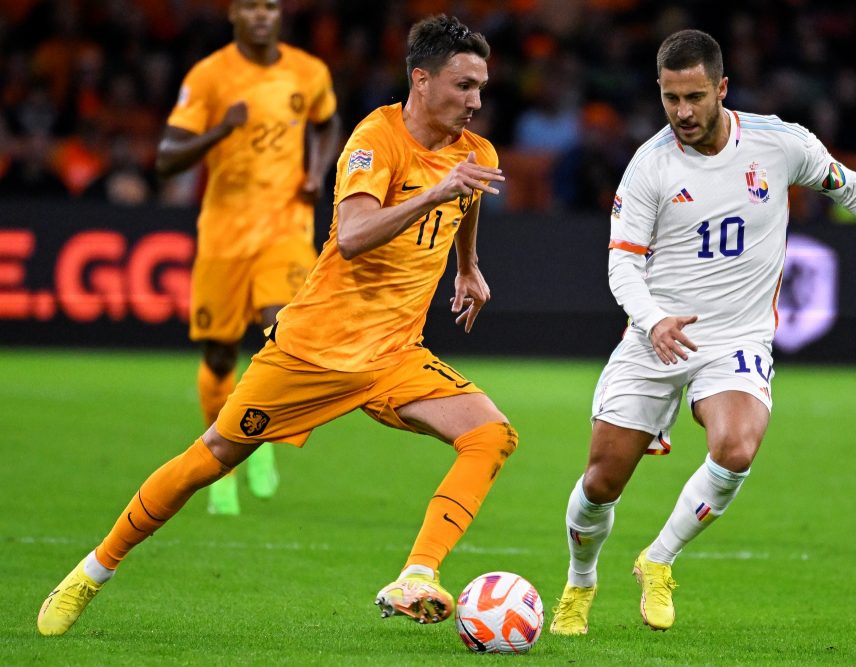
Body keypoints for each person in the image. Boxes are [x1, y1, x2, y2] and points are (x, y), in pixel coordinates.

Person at [37, 14, 515, 636]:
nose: (476, 101)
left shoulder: (475, 153)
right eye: (463, 86)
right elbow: (352, 236)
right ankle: (91, 572)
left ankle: (418, 574)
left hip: (394, 355)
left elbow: (467, 197)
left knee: (491, 435)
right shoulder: (377, 140)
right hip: (313, 352)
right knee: (210, 457)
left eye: (481, 86)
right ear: (420, 80)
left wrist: (468, 268)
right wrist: (433, 192)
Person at [548, 29, 856, 635]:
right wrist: (653, 320)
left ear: (722, 87)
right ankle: (580, 582)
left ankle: (658, 558)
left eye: (694, 96)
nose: (682, 113)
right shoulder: (649, 165)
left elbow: (850, 186)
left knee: (737, 447)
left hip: (737, 338)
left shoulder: (779, 143)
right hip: (655, 335)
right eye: (670, 99)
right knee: (601, 480)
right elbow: (621, 263)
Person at [155, 0, 342, 515]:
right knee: (219, 352)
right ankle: (220, 462)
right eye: (251, 7)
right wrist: (220, 131)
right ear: (233, 14)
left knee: (278, 330)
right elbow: (167, 158)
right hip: (223, 234)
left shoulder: (310, 71)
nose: (262, 15)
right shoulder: (210, 76)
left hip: (285, 227)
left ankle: (256, 442)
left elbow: (328, 124)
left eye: (270, 6)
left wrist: (315, 170)